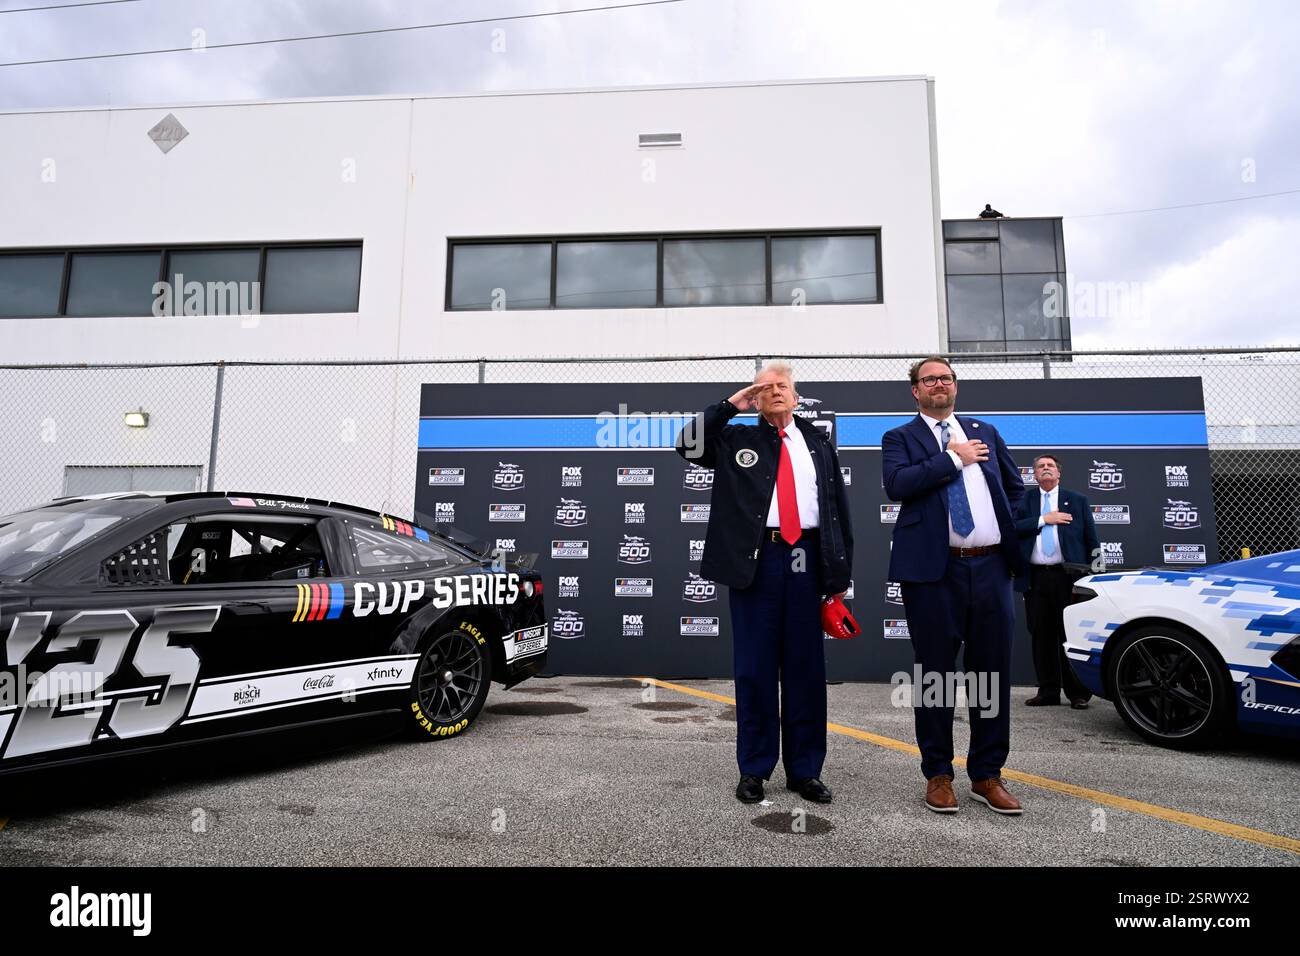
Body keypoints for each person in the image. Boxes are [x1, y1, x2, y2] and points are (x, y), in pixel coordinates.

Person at [676, 361, 853, 805]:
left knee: (806, 672)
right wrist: (731, 404)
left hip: (807, 558)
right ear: (754, 397)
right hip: (758, 562)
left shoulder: (817, 442)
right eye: (765, 387)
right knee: (754, 671)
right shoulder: (736, 438)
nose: (775, 392)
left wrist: (838, 575)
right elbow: (687, 444)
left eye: (783, 386)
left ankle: (805, 771)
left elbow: (835, 509)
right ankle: (754, 769)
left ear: (796, 396)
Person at [881, 356, 1025, 815]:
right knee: (936, 676)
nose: (938, 384)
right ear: (915, 391)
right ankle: (939, 774)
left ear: (955, 385)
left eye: (945, 377)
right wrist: (951, 458)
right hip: (933, 573)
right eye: (929, 380)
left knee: (992, 673)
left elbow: (1015, 488)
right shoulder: (900, 437)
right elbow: (898, 484)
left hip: (990, 569)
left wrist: (1013, 533)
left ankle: (987, 774)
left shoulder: (986, 431)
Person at [1014, 454, 1098, 709]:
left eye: (1050, 466)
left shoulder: (1077, 501)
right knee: (1042, 636)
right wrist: (1044, 520)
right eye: (1041, 466)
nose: (1046, 469)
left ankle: (1078, 693)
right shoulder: (1025, 501)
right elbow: (1012, 528)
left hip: (1069, 578)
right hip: (1037, 579)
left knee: (1070, 635)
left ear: (1058, 473)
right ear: (1035, 475)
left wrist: (1094, 576)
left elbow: (1091, 540)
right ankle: (1048, 691)